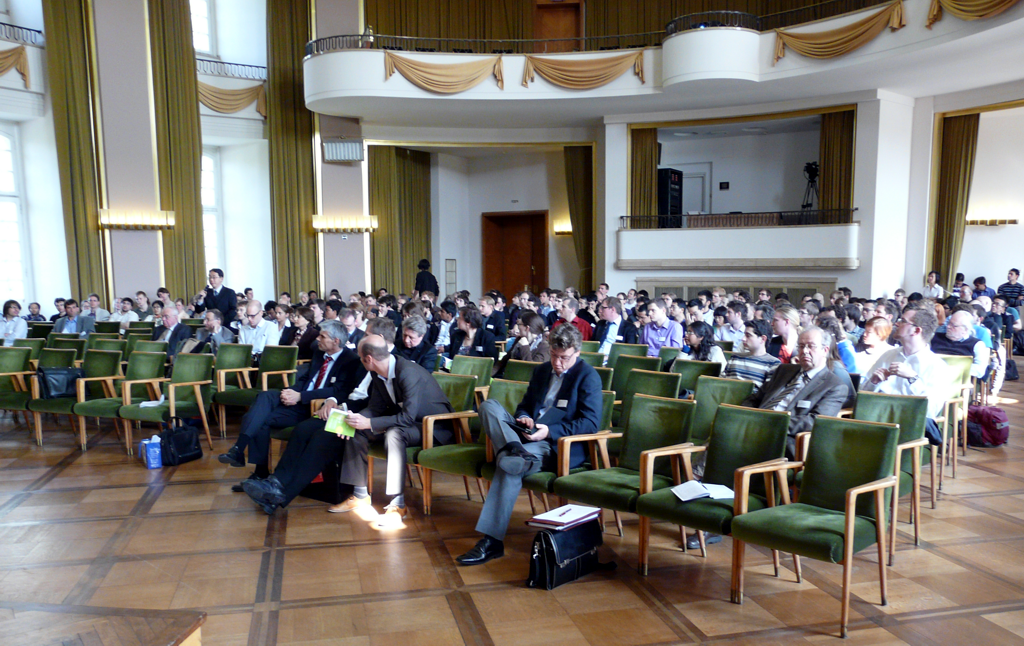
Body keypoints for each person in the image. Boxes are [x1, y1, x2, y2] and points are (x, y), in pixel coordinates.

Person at [456, 323, 602, 566]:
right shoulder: (542, 371)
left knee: (509, 465)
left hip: (553, 443)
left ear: (577, 352)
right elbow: (525, 406)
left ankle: (492, 541)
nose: (557, 363)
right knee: (489, 406)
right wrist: (524, 417)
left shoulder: (588, 376)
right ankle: (515, 450)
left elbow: (590, 423)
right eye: (554, 355)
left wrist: (549, 431)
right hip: (524, 435)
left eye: (564, 358)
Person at [223, 321, 364, 490]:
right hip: (298, 399)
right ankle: (246, 457)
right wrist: (291, 391)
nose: (317, 339)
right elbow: (307, 379)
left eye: (322, 336)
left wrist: (300, 396)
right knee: (264, 398)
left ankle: (249, 461)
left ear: (336, 341)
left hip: (312, 407)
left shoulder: (351, 360)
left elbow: (338, 390)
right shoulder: (319, 353)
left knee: (259, 419)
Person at [742, 326, 848, 459]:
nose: (805, 351)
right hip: (753, 427)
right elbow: (755, 398)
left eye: (811, 346)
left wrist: (770, 423)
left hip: (783, 438)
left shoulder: (834, 386)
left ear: (825, 350)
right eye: (801, 346)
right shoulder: (784, 370)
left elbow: (814, 421)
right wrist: (743, 416)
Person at [861, 304, 951, 444]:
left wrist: (913, 378)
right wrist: (873, 382)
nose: (896, 323)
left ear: (916, 330)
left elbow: (929, 411)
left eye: (903, 321)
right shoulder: (889, 355)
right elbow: (862, 395)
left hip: (906, 427)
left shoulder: (937, 366)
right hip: (875, 420)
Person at [931, 310, 991, 379]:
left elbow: (980, 370)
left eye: (953, 325)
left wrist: (950, 369)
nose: (948, 326)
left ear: (965, 330)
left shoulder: (977, 345)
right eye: (948, 323)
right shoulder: (933, 338)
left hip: (960, 382)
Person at [722, 320, 781, 389]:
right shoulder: (735, 357)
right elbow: (721, 382)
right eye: (744, 335)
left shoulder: (773, 363)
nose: (743, 339)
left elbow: (768, 392)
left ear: (763, 339)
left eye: (748, 336)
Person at [494, 311, 550, 377]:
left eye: (519, 325)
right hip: (509, 376)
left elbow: (532, 369)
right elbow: (505, 360)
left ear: (527, 328)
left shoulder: (544, 346)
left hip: (524, 380)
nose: (517, 328)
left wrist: (525, 347)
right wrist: (489, 375)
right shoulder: (519, 339)